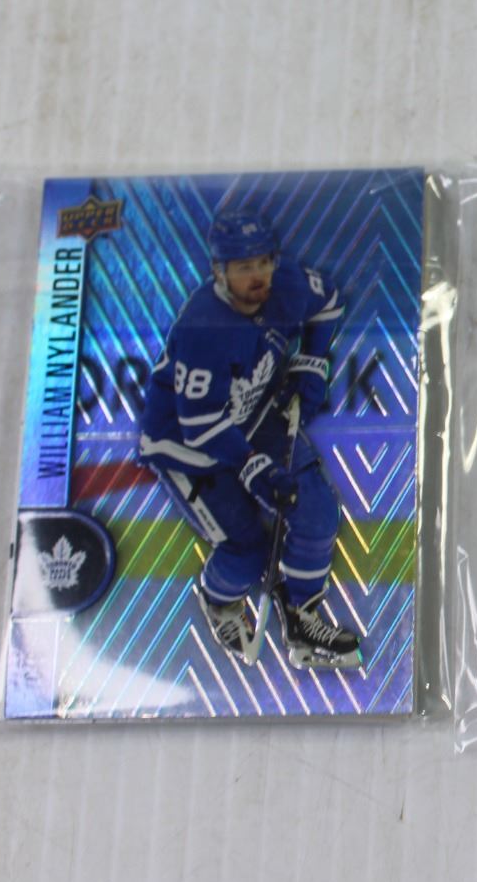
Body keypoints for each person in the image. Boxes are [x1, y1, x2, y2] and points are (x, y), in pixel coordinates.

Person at [136, 198, 361, 669]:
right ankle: (220, 603)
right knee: (246, 552)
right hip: (187, 446)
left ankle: (301, 616)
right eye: (243, 267)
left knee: (317, 511)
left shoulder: (288, 283)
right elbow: (201, 425)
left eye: (263, 262)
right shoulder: (204, 328)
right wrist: (256, 469)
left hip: (252, 416)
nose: (258, 276)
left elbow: (328, 301)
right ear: (218, 271)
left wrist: (311, 361)